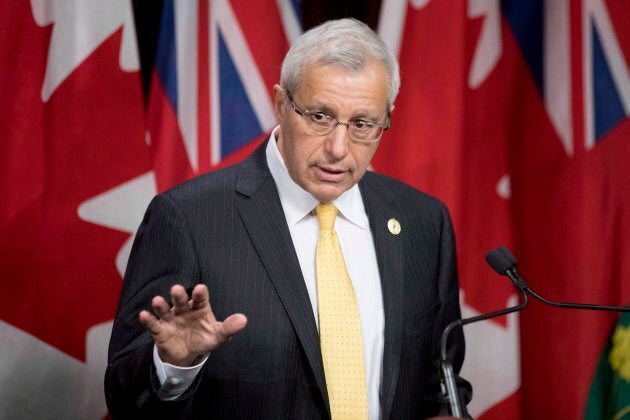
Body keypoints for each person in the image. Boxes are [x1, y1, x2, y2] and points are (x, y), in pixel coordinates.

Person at [105, 18, 471, 419]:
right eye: (319, 116)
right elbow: (126, 400)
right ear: (281, 104)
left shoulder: (422, 221)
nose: (337, 148)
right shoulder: (188, 218)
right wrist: (175, 367)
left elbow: (442, 379)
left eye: (362, 125)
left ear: (386, 119)